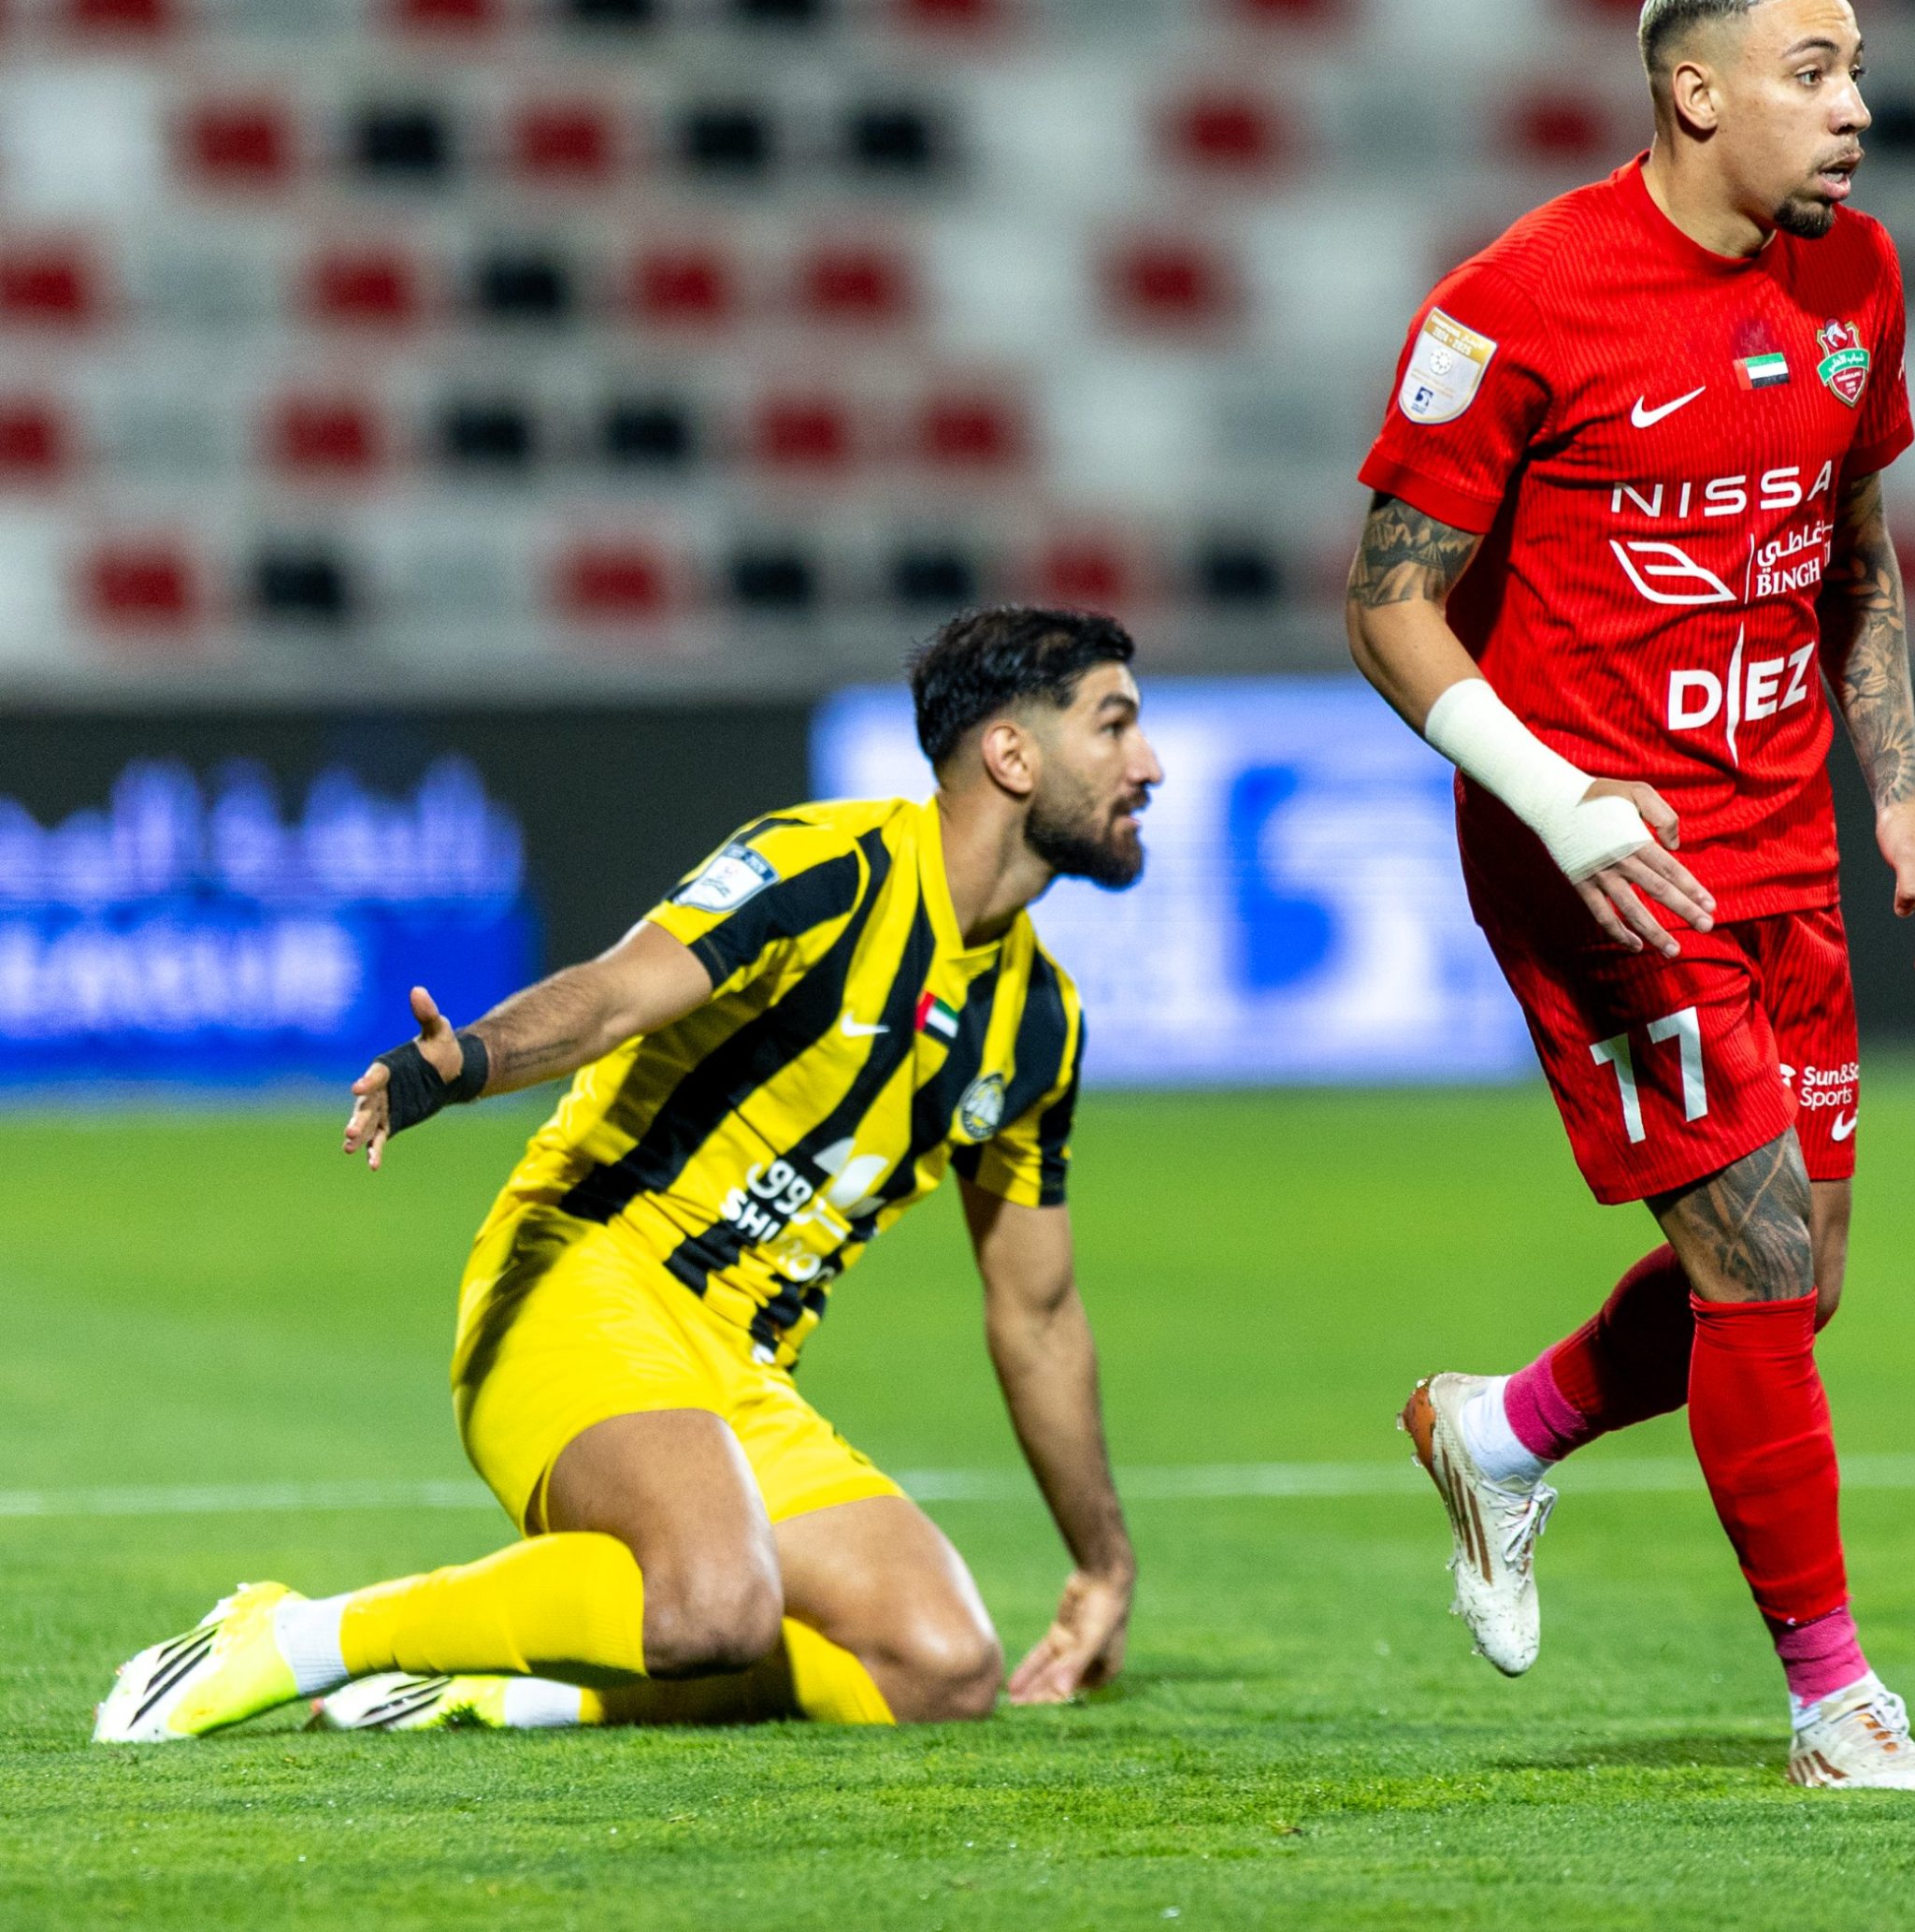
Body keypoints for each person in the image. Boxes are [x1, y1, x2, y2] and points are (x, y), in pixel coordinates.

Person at [95, 607, 1159, 1741]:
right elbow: (614, 993)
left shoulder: (1039, 1021)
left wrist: (1102, 1563)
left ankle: (508, 1690)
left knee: (939, 1665)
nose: (1146, 764)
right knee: (713, 1599)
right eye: (1115, 725)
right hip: (584, 1283)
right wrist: (465, 1063)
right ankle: (298, 1634)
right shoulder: (829, 869)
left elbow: (1038, 1314)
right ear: (1011, 753)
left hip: (742, 1371)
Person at [1346, 0, 1915, 1790]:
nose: (1855, 107)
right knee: (1759, 1262)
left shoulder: (1854, 273)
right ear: (1694, 91)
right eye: (1813, 71)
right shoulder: (1517, 301)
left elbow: (1848, 539)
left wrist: (1899, 795)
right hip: (1601, 856)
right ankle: (1831, 1701)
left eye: (1854, 68)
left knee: (1795, 1271)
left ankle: (1501, 1427)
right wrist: (1558, 801)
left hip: (1782, 830)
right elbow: (1386, 605)